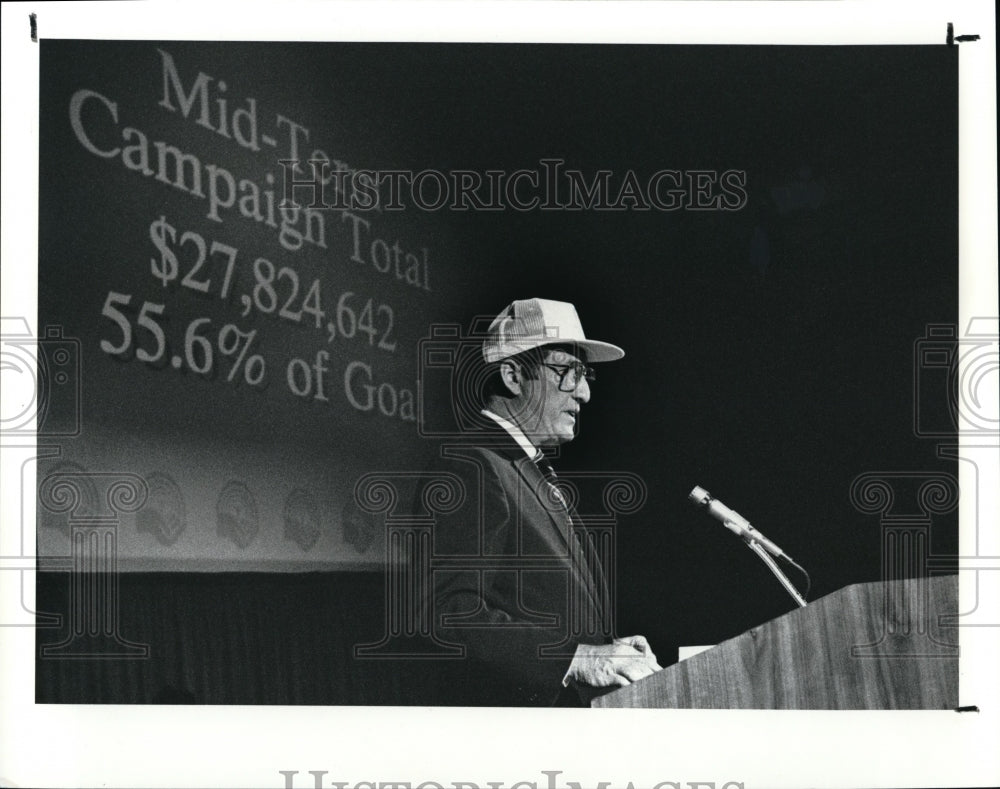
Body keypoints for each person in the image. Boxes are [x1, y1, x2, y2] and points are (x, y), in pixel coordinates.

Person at [424, 297, 661, 706]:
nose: (584, 393)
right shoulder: (472, 466)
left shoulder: (521, 466)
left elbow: (534, 600)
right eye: (568, 372)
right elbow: (447, 613)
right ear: (514, 376)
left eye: (585, 374)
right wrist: (577, 657)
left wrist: (607, 647)